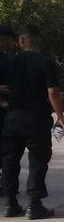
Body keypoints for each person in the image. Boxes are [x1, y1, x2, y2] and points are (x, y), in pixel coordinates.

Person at [1, 24, 64, 219]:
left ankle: (11, 204)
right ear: (38, 40)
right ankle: (34, 205)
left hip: (12, 117)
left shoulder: (8, 62)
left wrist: (4, 103)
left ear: (21, 40)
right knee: (37, 161)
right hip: (36, 118)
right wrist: (60, 117)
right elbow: (53, 92)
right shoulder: (46, 62)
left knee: (10, 161)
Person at [0, 25, 16, 197]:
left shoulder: (6, 58)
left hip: (5, 112)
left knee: (5, 150)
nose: (12, 44)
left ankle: (5, 184)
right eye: (10, 39)